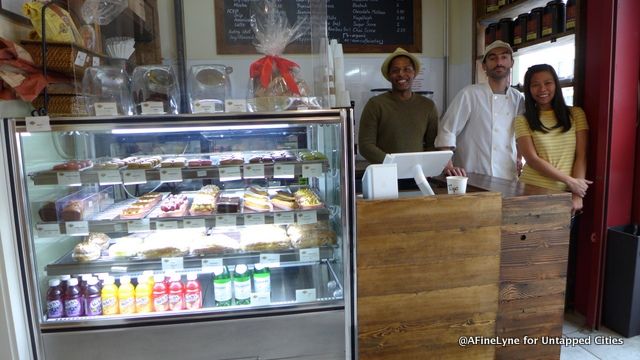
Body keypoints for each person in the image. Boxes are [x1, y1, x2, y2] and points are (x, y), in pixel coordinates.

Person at [434, 40, 524, 179]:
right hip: (473, 173)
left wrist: (519, 157)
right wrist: (449, 166)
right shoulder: (470, 94)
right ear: (484, 66)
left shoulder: (518, 98)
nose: (499, 62)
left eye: (504, 57)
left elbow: (521, 136)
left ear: (512, 63)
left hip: (507, 175)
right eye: (492, 58)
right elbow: (447, 130)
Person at [514, 64, 591, 214]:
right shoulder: (522, 120)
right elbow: (532, 159)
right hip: (530, 190)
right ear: (529, 90)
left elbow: (581, 157)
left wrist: (577, 194)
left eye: (548, 83)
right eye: (535, 85)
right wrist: (570, 181)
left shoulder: (575, 114)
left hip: (564, 196)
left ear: (556, 84)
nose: (542, 89)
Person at [358, 47, 439, 164]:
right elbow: (366, 146)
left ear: (414, 73)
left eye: (407, 69)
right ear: (389, 75)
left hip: (418, 176)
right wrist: (393, 164)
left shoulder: (428, 106)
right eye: (395, 70)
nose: (401, 74)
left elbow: (432, 145)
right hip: (385, 176)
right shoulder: (375, 105)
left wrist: (423, 167)